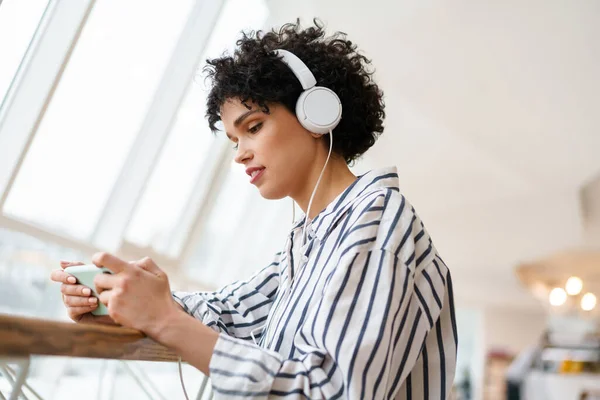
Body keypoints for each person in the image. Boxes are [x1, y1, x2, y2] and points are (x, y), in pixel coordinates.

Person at [51, 20, 457, 399]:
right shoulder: (310, 242)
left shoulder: (376, 225)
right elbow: (231, 315)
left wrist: (163, 319)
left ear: (316, 116)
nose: (241, 155)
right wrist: (126, 294)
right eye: (233, 140)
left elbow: (329, 391)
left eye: (254, 127)